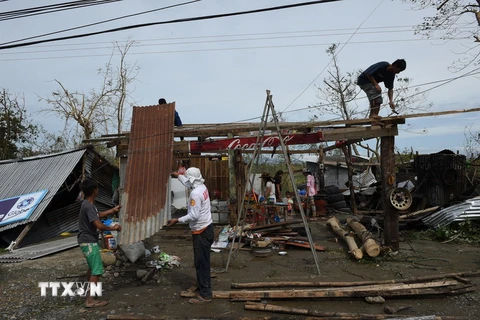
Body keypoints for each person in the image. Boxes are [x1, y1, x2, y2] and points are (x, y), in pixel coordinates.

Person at [167, 168, 214, 304]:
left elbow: (194, 215)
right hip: (207, 228)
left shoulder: (195, 194)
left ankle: (206, 294)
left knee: (201, 263)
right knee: (201, 261)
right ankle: (202, 285)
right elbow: (188, 183)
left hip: (201, 232)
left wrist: (177, 220)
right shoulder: (201, 186)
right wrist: (178, 176)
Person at [77, 178, 122, 308]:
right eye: (97, 188)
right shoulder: (89, 206)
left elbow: (97, 215)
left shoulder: (88, 205)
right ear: (94, 191)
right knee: (97, 270)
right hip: (88, 241)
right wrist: (113, 228)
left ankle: (91, 293)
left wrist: (112, 210)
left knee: (92, 268)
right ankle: (90, 300)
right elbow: (97, 224)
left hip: (87, 240)